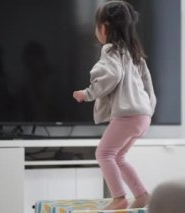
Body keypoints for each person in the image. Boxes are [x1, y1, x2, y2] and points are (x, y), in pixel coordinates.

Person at [73, 0, 156, 210]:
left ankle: (119, 198)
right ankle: (142, 194)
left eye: (96, 26)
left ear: (105, 28)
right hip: (143, 116)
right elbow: (149, 86)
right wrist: (148, 110)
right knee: (118, 156)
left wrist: (87, 93)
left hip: (127, 115)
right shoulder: (136, 54)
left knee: (104, 154)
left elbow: (111, 75)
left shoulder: (111, 51)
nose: (95, 31)